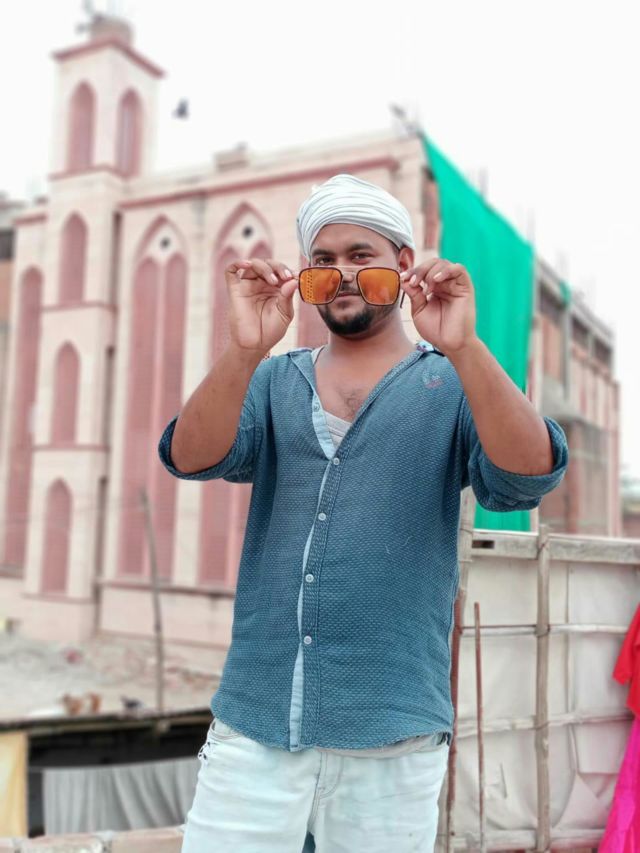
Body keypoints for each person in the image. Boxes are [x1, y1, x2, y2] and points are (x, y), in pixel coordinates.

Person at [158, 174, 568, 852]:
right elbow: (191, 457)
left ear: (403, 263)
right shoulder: (273, 379)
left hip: (391, 741)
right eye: (323, 260)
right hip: (255, 732)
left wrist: (466, 347)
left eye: (360, 255)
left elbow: (525, 481)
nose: (342, 273)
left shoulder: (453, 382)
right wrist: (245, 349)